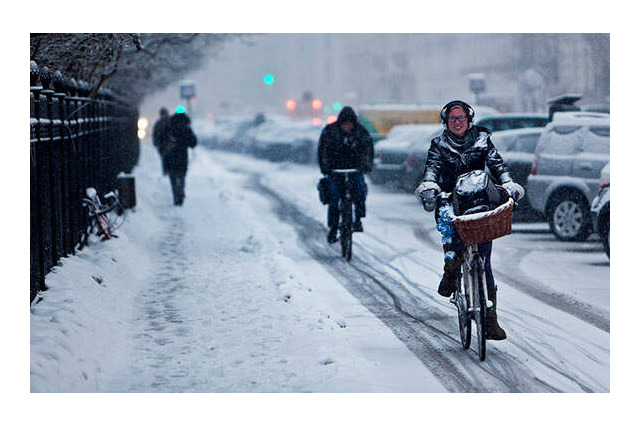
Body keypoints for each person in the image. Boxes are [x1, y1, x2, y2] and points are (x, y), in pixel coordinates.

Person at [415, 100, 524, 340]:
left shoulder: (482, 140)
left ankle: (490, 319)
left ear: (469, 120)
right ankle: (451, 268)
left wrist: (508, 183)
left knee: (484, 261)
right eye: (452, 118)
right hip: (450, 202)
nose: (457, 122)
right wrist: (431, 187)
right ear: (446, 122)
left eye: (461, 118)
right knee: (453, 244)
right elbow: (432, 168)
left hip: (478, 202)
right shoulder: (438, 145)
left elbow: (497, 164)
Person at [317, 106, 374, 244]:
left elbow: (369, 150)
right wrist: (325, 167)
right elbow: (322, 150)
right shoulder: (330, 132)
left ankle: (358, 219)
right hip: (335, 172)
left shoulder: (360, 132)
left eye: (350, 124)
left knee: (360, 191)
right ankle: (333, 226)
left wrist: (366, 165)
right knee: (334, 198)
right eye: (345, 124)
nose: (347, 127)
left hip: (355, 170)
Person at [155, 107, 198, 206]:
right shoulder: (186, 128)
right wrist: (184, 143)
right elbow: (193, 142)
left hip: (171, 155)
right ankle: (181, 193)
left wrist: (164, 147)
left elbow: (161, 138)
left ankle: (175, 195)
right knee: (182, 175)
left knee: (173, 176)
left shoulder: (169, 126)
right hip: (182, 155)